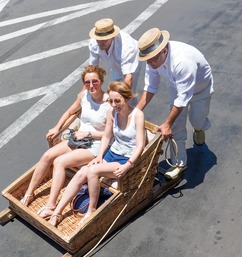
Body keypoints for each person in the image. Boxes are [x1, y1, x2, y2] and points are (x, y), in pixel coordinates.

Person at [48, 82, 146, 227]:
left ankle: (91, 210)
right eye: (111, 101)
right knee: (83, 172)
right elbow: (107, 136)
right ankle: (56, 211)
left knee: (93, 171)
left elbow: (140, 145)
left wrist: (128, 165)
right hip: (112, 154)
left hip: (126, 159)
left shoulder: (138, 115)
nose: (114, 105)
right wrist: (99, 157)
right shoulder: (112, 113)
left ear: (127, 99)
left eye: (117, 101)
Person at [20, 65, 110, 219]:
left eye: (94, 82)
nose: (91, 86)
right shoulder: (83, 96)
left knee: (59, 162)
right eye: (87, 82)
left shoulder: (109, 104)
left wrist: (88, 133)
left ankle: (51, 205)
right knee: (47, 155)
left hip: (94, 144)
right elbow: (70, 111)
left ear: (101, 81)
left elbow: (110, 134)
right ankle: (29, 194)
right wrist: (56, 127)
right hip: (78, 139)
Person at [135, 28, 214, 180]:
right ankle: (180, 163)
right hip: (176, 87)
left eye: (153, 59)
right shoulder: (152, 61)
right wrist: (135, 111)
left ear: (164, 51)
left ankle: (199, 128)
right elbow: (151, 87)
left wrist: (166, 124)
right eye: (148, 59)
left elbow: (183, 98)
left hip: (199, 89)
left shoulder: (182, 62)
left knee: (197, 120)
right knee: (177, 127)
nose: (150, 63)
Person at [88, 18, 142, 103]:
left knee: (128, 91)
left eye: (104, 40)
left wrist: (121, 100)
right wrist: (85, 90)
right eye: (98, 39)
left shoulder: (127, 47)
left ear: (112, 37)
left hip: (131, 61)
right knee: (115, 86)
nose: (100, 43)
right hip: (114, 65)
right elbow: (91, 69)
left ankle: (132, 109)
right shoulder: (94, 43)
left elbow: (128, 77)